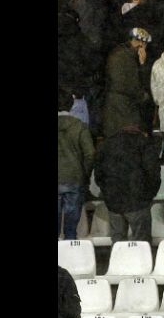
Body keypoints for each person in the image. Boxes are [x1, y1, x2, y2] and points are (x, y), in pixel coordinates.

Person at [95, 125, 161, 243]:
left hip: (113, 200)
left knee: (118, 243)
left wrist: (107, 192)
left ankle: (118, 261)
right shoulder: (144, 143)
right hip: (138, 201)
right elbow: (153, 172)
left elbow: (98, 174)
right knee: (142, 244)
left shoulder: (106, 144)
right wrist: (150, 195)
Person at [58, 89, 95, 240]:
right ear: (71, 104)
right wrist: (84, 173)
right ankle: (70, 259)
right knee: (71, 230)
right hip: (74, 178)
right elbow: (90, 153)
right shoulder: (80, 126)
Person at [102, 28, 152, 137]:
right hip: (123, 110)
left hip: (115, 108)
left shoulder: (118, 53)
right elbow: (132, 84)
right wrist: (143, 64)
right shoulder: (126, 58)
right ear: (141, 43)